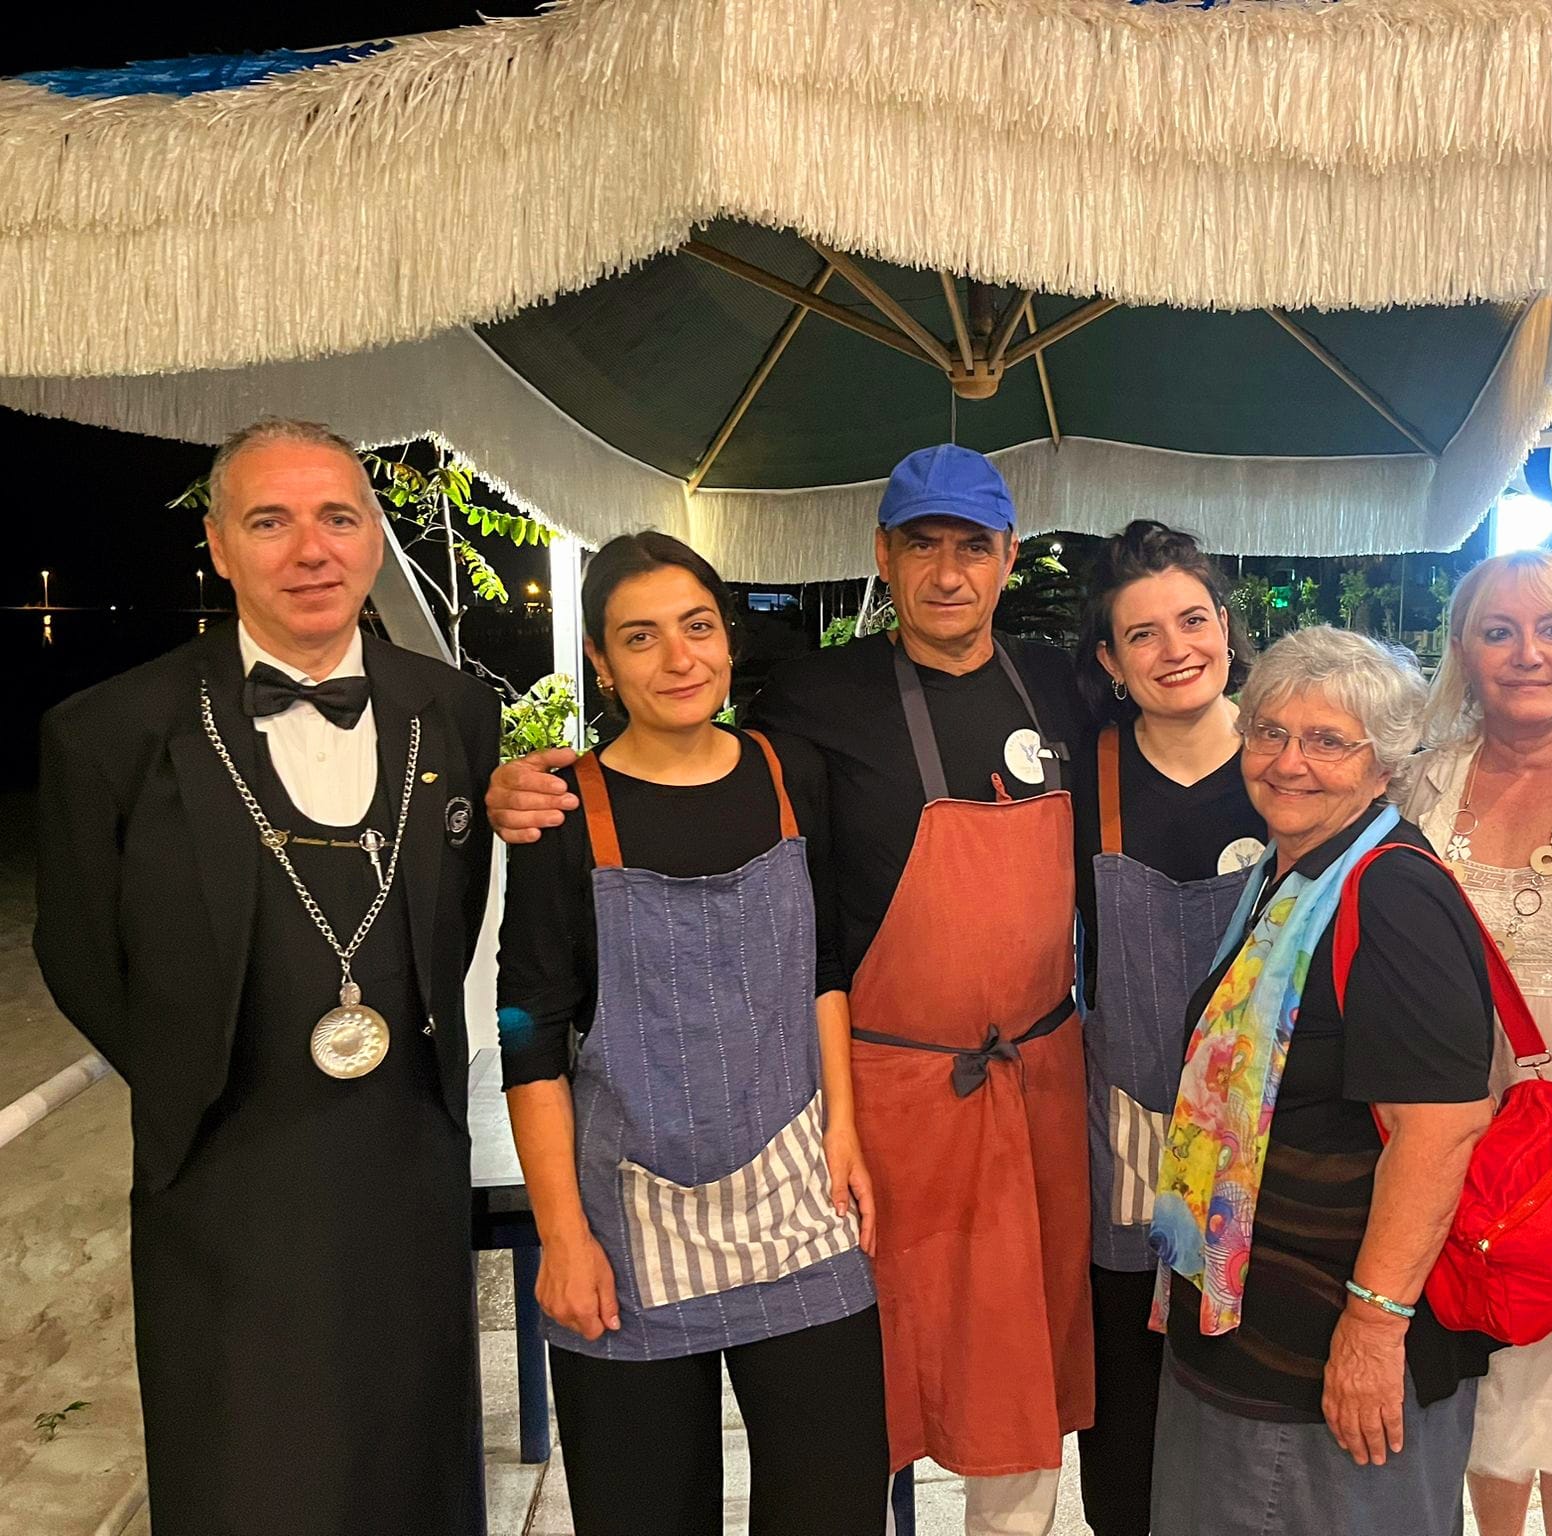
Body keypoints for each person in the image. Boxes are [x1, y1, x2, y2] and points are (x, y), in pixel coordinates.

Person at [487, 445, 1090, 1536]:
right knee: (773, 1446)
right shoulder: (798, 716)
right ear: (881, 557)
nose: (948, 572)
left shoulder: (1053, 686)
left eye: (973, 547)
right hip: (739, 1158)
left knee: (977, 1398)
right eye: (921, 545)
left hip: (900, 1139)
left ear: (1009, 558)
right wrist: (513, 789)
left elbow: (816, 963)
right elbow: (531, 1022)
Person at [33, 419, 502, 1535]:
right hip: (223, 1163)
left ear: (373, 538)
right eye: (270, 521)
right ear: (219, 546)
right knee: (245, 1464)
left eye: (338, 517)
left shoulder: (456, 710)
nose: (310, 550)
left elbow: (457, 910)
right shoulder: (107, 732)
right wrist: (189, 1066)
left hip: (405, 1154)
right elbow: (78, 953)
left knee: (411, 1454)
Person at [493, 532, 888, 1534]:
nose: (678, 659)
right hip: (627, 1218)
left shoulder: (790, 773)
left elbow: (825, 966)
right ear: (600, 661)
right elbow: (527, 1032)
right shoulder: (564, 813)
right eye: (641, 638)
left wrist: (843, 1129)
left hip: (796, 1195)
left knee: (835, 1502)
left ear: (726, 637)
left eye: (697, 627)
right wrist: (561, 1236)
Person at [1148, 626, 1500, 1536]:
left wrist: (1374, 1332)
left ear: (1384, 764)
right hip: (1259, 1340)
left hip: (1329, 1368)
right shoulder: (1290, 875)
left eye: (1327, 741)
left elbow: (1440, 1129)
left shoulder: (1393, 896)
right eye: (1270, 732)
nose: (1288, 761)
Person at [1405, 550, 1552, 1536]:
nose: (1525, 653)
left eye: (1551, 629)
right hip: (1453, 1114)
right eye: (1498, 632)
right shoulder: (1424, 782)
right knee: (1482, 1359)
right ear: (1463, 650)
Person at [1068, 520, 1265, 1536]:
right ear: (1110, 661)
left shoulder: (1288, 764)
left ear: (1225, 627)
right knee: (1127, 1425)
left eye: (1192, 619)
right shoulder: (1084, 780)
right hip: (1131, 1140)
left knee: (1250, 1422)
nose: (1174, 648)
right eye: (1141, 634)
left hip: (1264, 1145)